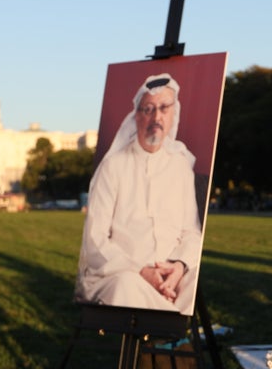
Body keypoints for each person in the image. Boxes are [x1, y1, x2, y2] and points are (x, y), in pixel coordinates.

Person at [75, 73, 202, 313]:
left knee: (195, 282)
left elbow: (191, 232)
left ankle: (165, 344)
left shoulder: (180, 166)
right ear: (136, 116)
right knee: (127, 287)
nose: (157, 117)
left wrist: (178, 267)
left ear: (174, 113)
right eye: (148, 109)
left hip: (171, 273)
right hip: (122, 271)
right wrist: (142, 271)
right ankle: (155, 346)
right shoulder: (114, 166)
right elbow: (95, 239)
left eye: (164, 108)